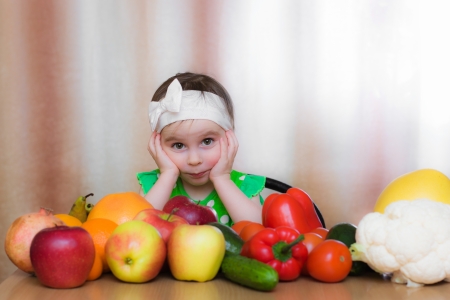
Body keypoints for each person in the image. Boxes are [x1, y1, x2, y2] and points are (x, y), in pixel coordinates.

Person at [137, 72, 265, 226]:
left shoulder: (243, 186)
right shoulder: (155, 185)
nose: (194, 160)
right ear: (157, 145)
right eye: (178, 145)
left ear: (229, 138)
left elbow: (258, 230)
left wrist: (222, 179)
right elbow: (138, 228)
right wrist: (168, 175)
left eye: (207, 141)